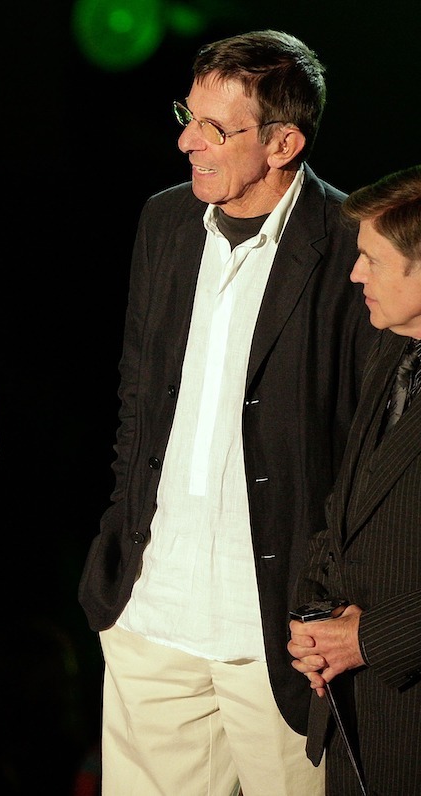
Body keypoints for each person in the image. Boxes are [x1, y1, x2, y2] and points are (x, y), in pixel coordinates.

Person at [77, 29, 377, 795]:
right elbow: (137, 397)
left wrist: (341, 602)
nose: (186, 140)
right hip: (151, 617)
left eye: (215, 127)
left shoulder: (350, 245)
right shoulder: (166, 222)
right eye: (189, 114)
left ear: (284, 143)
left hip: (276, 634)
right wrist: (120, 552)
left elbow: (367, 445)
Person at [287, 164, 421, 796]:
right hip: (357, 718)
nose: (353, 275)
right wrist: (316, 618)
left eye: (372, 260)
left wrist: (369, 639)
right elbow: (349, 503)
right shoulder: (390, 349)